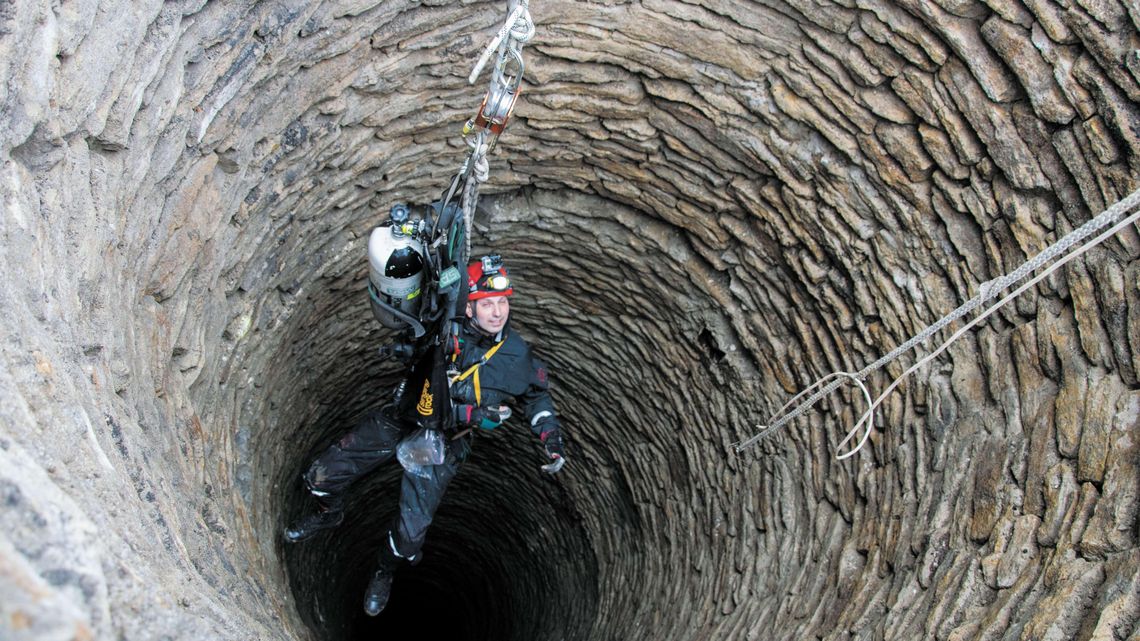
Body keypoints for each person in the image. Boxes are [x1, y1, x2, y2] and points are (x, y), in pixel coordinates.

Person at [283, 255, 566, 617]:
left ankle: (384, 570)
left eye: (502, 302)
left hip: (445, 442)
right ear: (469, 306)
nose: (497, 313)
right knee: (321, 477)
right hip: (405, 417)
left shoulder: (516, 356)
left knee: (409, 537)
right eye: (487, 304)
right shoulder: (441, 324)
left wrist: (550, 438)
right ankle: (329, 514)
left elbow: (537, 396)